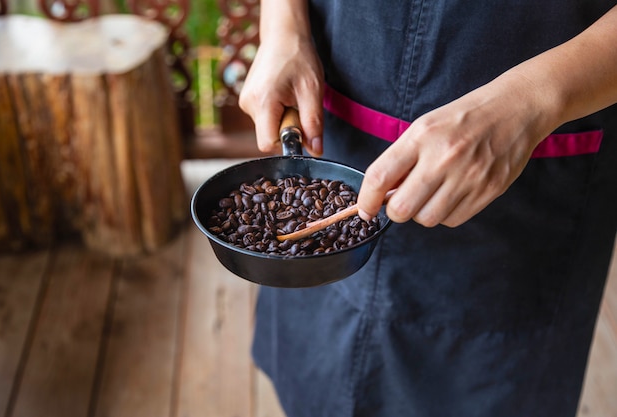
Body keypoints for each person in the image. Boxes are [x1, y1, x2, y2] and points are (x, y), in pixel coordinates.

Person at [238, 1, 617, 416]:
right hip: (341, 98)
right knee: (316, 378)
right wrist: (284, 26)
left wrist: (533, 100)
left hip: (532, 167)